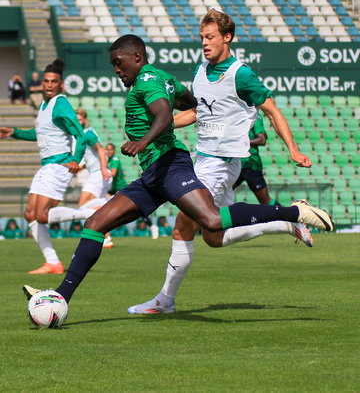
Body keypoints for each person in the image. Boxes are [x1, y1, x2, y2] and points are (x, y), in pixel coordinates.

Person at [23, 35, 333, 309]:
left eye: (119, 63)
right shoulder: (162, 77)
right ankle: (60, 297)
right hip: (152, 175)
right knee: (95, 223)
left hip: (170, 165)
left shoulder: (145, 80)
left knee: (211, 221)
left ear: (136, 57)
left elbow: (163, 113)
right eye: (112, 64)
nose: (116, 69)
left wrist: (143, 141)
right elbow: (188, 101)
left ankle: (293, 213)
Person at [127, 10, 324, 314]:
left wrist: (294, 151)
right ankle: (285, 222)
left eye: (211, 37)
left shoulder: (241, 74)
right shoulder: (201, 70)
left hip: (222, 162)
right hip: (202, 158)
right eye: (202, 38)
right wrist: (155, 131)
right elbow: (196, 113)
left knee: (181, 228)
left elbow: (272, 111)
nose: (204, 43)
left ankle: (164, 301)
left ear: (227, 37)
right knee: (214, 238)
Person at [0, 59, 97, 274]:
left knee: (42, 215)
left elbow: (80, 135)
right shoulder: (45, 105)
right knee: (29, 215)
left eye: (54, 81)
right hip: (47, 167)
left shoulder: (61, 104)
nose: (49, 85)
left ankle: (92, 212)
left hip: (58, 165)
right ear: (42, 83)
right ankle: (53, 262)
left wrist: (76, 158)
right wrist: (13, 132)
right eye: (46, 81)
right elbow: (40, 133)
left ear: (60, 84)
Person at [233, 115, 281, 206]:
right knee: (221, 195)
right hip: (236, 162)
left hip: (250, 164)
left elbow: (262, 139)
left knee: (265, 200)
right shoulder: (238, 113)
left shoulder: (254, 116)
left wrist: (241, 142)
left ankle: (285, 216)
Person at [75, 109, 112, 208]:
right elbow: (93, 156)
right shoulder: (85, 134)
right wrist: (82, 167)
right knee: (94, 206)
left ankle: (113, 201)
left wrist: (103, 168)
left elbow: (101, 149)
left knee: (82, 206)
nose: (77, 122)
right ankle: (111, 201)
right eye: (76, 120)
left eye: (80, 120)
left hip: (99, 174)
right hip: (99, 173)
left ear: (85, 120)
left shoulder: (87, 133)